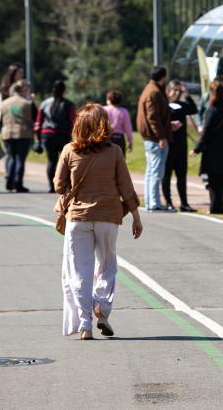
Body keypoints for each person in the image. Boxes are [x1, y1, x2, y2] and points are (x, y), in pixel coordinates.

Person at [54, 103, 142, 340]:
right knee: (106, 265)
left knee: (80, 271)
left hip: (78, 219)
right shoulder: (114, 151)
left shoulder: (69, 150)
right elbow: (126, 186)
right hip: (108, 217)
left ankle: (85, 325)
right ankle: (102, 308)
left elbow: (59, 186)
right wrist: (135, 216)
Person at [193, 79, 223, 214]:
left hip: (213, 151)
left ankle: (215, 207)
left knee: (214, 181)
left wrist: (197, 149)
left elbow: (206, 133)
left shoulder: (211, 110)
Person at [136, 66, 179, 211]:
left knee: (151, 171)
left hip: (151, 137)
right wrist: (161, 136)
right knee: (156, 172)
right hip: (155, 138)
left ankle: (150, 202)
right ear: (163, 77)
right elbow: (152, 117)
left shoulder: (149, 89)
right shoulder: (154, 92)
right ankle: (154, 203)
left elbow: (155, 117)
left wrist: (168, 126)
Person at [163, 80, 199, 212]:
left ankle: (184, 203)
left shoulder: (182, 105)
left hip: (181, 146)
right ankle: (168, 202)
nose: (177, 93)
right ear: (168, 91)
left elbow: (194, 109)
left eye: (179, 91)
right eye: (175, 90)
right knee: (166, 175)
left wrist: (187, 95)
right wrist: (170, 125)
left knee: (182, 176)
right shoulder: (164, 105)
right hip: (169, 145)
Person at [36, 80, 77, 193]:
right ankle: (64, 184)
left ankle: (51, 185)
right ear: (64, 90)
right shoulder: (69, 104)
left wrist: (38, 139)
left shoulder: (44, 104)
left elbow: (38, 123)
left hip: (47, 135)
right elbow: (74, 122)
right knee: (65, 162)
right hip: (63, 135)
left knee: (51, 161)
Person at [0, 79, 37, 192]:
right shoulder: (28, 103)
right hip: (23, 133)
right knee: (20, 158)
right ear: (23, 90)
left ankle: (9, 181)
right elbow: (35, 118)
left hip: (7, 132)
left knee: (11, 156)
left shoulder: (4, 103)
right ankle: (18, 183)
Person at [103, 90, 133, 155]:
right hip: (119, 139)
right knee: (120, 162)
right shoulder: (124, 111)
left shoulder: (103, 110)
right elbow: (128, 128)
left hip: (106, 138)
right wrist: (130, 141)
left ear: (109, 100)